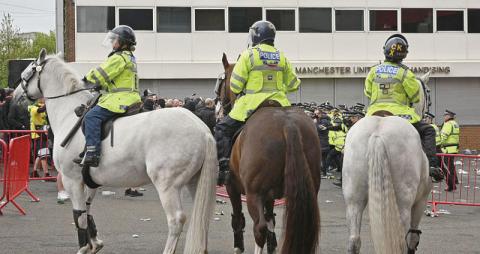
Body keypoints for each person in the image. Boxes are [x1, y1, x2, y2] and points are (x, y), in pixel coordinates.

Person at [214, 20, 301, 186]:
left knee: (222, 129)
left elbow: (236, 85)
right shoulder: (281, 56)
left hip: (251, 105)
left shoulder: (249, 55)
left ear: (255, 36)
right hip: (280, 104)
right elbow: (294, 84)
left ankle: (224, 168)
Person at [364, 34, 443, 182]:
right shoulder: (405, 72)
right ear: (404, 54)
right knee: (428, 131)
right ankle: (433, 167)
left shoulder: (373, 71)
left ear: (385, 51)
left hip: (373, 114)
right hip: (401, 115)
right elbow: (415, 96)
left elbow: (367, 92)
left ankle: (344, 173)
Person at [73, 25, 141, 167]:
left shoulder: (118, 58)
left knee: (92, 117)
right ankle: (88, 149)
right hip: (128, 97)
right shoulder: (129, 57)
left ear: (123, 42)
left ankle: (93, 153)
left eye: (114, 40)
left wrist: (86, 80)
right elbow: (115, 79)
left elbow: (101, 73)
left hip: (120, 99)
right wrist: (102, 85)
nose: (112, 43)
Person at [28, 98, 52, 179]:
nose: (44, 98)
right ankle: (46, 174)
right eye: (42, 97)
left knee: (40, 154)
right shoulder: (33, 108)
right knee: (43, 155)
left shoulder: (39, 106)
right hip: (37, 135)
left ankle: (34, 172)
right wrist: (50, 101)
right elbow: (41, 110)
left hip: (42, 134)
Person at [440, 110, 460, 191]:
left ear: (449, 116)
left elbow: (444, 136)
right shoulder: (455, 123)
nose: (444, 117)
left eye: (445, 115)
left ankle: (452, 184)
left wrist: (439, 143)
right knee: (450, 165)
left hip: (448, 149)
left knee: (448, 167)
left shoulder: (448, 124)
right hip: (453, 148)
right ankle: (455, 180)